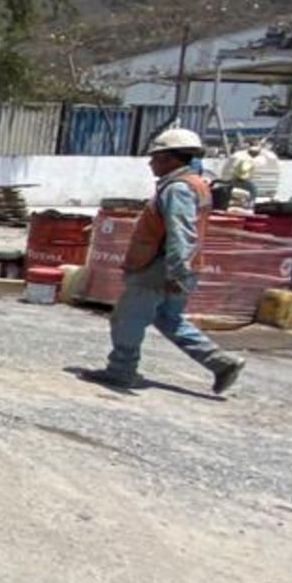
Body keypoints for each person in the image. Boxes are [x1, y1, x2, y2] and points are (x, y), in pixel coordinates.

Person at [86, 128, 243, 395]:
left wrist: (175, 273)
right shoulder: (196, 184)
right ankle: (221, 363)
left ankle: (121, 370)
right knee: (169, 319)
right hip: (180, 266)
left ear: (171, 158)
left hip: (158, 269)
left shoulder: (179, 189)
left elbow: (181, 233)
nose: (150, 163)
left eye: (155, 157)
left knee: (127, 319)